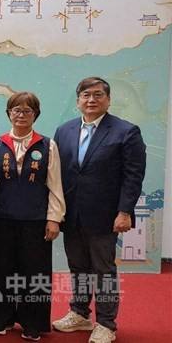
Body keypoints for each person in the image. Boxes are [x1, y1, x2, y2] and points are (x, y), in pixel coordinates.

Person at [51, 77, 146, 343]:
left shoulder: (126, 131)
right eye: (85, 95)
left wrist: (125, 211)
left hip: (106, 216)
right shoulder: (64, 130)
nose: (91, 100)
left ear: (108, 99)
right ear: (78, 100)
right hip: (71, 214)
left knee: (103, 270)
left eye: (97, 95)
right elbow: (58, 174)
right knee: (77, 267)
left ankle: (106, 323)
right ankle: (80, 314)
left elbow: (133, 176)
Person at [0, 92, 65, 341]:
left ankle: (33, 323)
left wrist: (54, 218)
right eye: (16, 110)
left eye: (27, 111)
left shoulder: (47, 145)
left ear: (35, 115)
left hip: (36, 221)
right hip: (3, 220)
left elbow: (55, 185)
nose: (21, 115)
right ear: (9, 113)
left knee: (35, 273)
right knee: (0, 270)